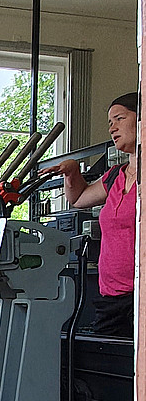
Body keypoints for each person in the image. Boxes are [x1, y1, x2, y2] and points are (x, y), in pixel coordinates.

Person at [45, 92, 138, 338]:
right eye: (110, 123)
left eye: (119, 118)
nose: (112, 128)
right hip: (111, 298)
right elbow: (78, 199)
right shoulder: (116, 175)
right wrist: (72, 171)